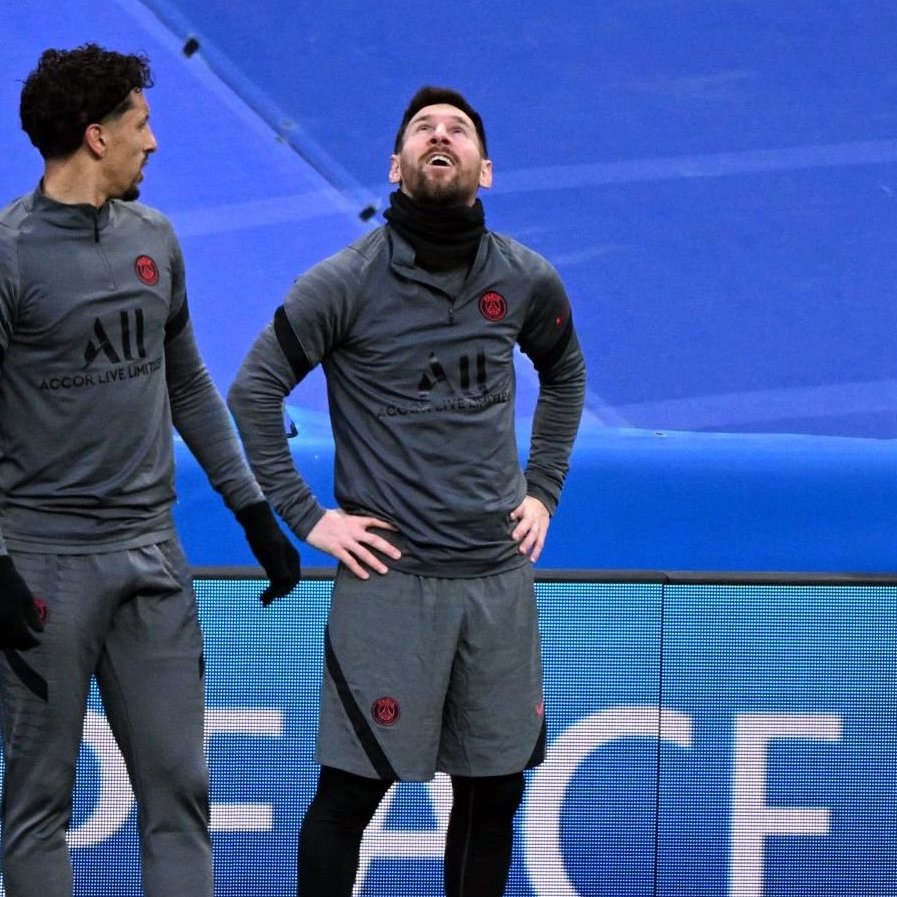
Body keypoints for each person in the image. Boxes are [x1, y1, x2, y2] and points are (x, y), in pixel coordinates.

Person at [228, 85, 586, 896]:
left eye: (457, 129)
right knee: (349, 795)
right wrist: (308, 517)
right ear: (395, 165)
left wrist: (543, 488)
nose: (439, 134)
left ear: (484, 169)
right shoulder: (344, 282)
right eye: (422, 128)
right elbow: (253, 391)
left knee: (493, 795)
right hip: (390, 586)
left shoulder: (525, 280)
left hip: (495, 582)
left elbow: (564, 371)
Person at [0, 44, 301, 897]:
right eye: (141, 123)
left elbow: (187, 383)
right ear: (96, 137)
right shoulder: (10, 255)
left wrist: (252, 511)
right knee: (38, 805)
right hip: (45, 566)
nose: (154, 142)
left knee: (181, 793)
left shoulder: (155, 240)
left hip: (153, 555)